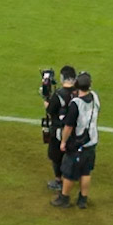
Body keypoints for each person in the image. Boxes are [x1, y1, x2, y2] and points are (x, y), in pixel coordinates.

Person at [53, 69, 98, 204]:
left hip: (78, 143)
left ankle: (64, 198)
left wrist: (63, 142)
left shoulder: (76, 104)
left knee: (69, 173)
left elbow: (69, 126)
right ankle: (83, 199)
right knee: (86, 172)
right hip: (92, 140)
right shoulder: (95, 97)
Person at [43, 66, 77, 195]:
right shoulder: (79, 92)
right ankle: (73, 177)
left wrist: (46, 102)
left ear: (62, 78)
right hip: (76, 130)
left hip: (59, 130)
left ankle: (58, 180)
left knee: (56, 156)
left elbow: (50, 111)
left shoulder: (58, 95)